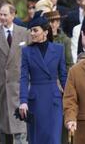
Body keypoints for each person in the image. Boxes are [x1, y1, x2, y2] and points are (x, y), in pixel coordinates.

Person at [0, 3, 30, 144]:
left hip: (20, 86)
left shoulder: (24, 32)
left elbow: (30, 56)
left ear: (13, 15)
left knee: (21, 127)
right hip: (2, 88)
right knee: (4, 128)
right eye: (0, 14)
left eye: (5, 14)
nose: (1, 17)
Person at [19, 12, 67, 144]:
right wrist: (23, 101)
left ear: (45, 32)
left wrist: (70, 99)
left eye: (35, 30)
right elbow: (23, 78)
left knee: (53, 138)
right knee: (37, 139)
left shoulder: (58, 49)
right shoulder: (26, 51)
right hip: (35, 100)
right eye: (31, 31)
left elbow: (63, 77)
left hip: (54, 100)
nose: (32, 33)